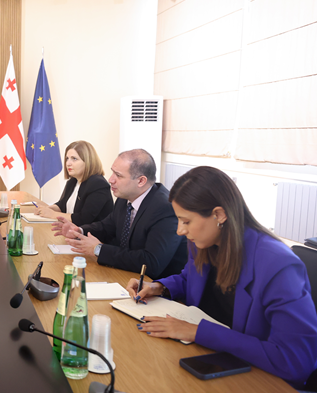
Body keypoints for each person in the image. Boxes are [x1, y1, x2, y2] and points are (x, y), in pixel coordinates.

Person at [127, 166, 317, 388]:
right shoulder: (203, 242)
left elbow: (295, 361)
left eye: (186, 221)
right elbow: (191, 279)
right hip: (206, 359)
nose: (180, 231)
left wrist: (198, 332)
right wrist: (159, 287)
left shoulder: (278, 265)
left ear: (219, 215)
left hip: (258, 379)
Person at [53, 149, 186, 279]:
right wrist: (79, 231)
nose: (110, 179)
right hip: (125, 274)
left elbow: (151, 263)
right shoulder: (125, 197)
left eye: (119, 175)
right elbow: (107, 227)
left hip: (154, 285)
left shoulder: (165, 208)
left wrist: (98, 250)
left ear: (141, 181)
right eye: (112, 172)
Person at [34, 141, 113, 226]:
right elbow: (62, 205)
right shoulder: (73, 181)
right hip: (71, 230)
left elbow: (83, 219)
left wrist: (52, 214)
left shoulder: (98, 184)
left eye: (74, 159)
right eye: (67, 158)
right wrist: (47, 209)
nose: (68, 163)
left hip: (91, 233)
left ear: (88, 161)